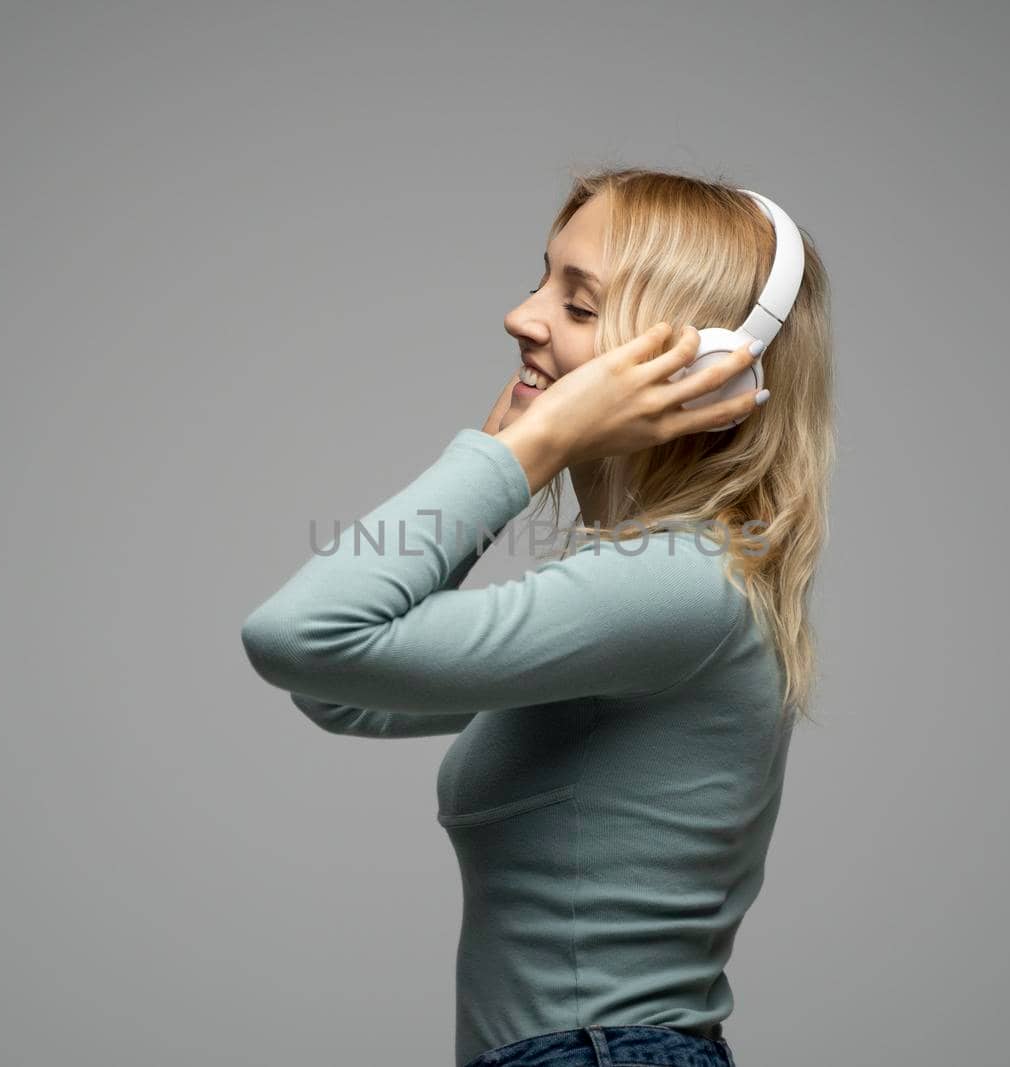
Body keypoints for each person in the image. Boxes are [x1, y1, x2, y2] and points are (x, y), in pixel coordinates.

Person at [240, 166, 836, 1067]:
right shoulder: (661, 589)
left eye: (581, 304)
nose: (522, 316)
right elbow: (342, 691)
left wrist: (523, 450)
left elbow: (302, 634)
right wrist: (507, 459)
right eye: (540, 279)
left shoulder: (681, 587)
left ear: (706, 369)